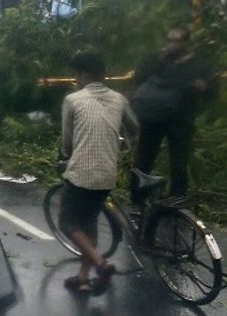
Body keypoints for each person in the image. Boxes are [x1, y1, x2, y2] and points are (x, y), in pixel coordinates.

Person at [59, 51, 139, 294]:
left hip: (81, 174)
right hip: (107, 174)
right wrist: (126, 150)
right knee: (89, 221)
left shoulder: (73, 100)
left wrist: (67, 155)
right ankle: (83, 279)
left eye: (76, 74)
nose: (75, 79)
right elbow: (134, 129)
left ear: (83, 74)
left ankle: (101, 264)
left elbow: (67, 142)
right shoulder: (119, 99)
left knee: (67, 223)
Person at [130, 27, 218, 204]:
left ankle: (177, 196)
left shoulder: (198, 64)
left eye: (177, 41)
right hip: (153, 117)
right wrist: (161, 61)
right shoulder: (157, 59)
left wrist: (204, 87)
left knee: (179, 160)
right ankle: (137, 196)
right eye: (170, 41)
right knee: (144, 157)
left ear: (187, 43)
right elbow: (139, 78)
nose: (172, 45)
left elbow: (211, 91)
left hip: (180, 119)